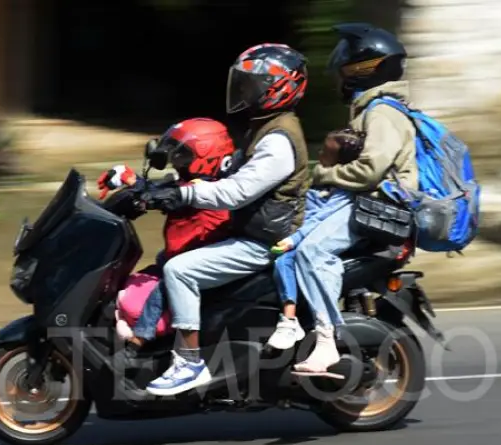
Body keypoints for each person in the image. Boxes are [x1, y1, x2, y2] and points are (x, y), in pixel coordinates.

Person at [138, 43, 311, 396]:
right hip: (250, 231)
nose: (244, 91)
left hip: (265, 242)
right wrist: (161, 184)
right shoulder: (265, 129)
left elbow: (236, 192)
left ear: (276, 88)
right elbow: (225, 170)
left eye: (252, 85)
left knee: (179, 270)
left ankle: (188, 362)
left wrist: (184, 194)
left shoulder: (279, 140)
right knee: (168, 260)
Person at [289, 23, 420, 374]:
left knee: (312, 251)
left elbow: (369, 172)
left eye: (342, 69)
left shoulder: (382, 113)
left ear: (362, 70)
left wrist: (324, 174)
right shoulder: (371, 110)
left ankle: (327, 342)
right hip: (363, 205)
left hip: (379, 210)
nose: (337, 78)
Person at [96, 118, 236, 348]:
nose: (175, 160)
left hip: (190, 263)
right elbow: (164, 189)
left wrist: (146, 195)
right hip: (174, 254)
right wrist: (129, 178)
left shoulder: (209, 192)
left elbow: (172, 196)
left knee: (160, 290)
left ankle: (142, 336)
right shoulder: (191, 183)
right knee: (130, 281)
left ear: (207, 155)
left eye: (182, 155)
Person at [266, 129, 366, 351]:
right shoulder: (324, 179)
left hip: (309, 236)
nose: (320, 153)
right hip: (300, 231)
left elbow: (320, 218)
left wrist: (294, 238)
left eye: (326, 152)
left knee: (289, 259)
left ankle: (296, 321)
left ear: (340, 160)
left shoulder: (342, 188)